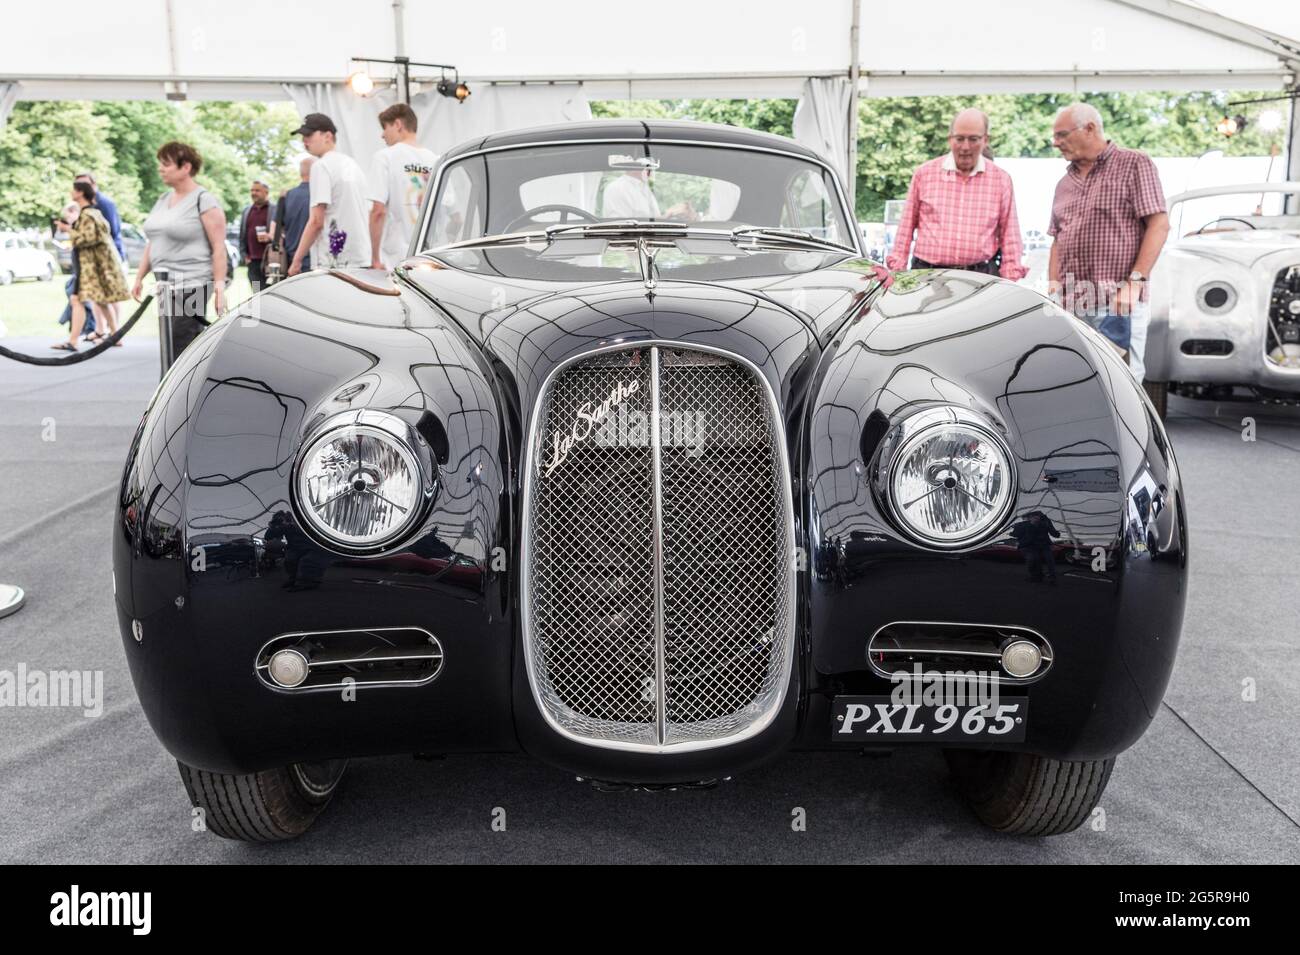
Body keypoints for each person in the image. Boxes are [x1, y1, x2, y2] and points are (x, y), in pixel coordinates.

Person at [1048, 102, 1170, 383]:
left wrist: (1134, 284)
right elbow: (1057, 238)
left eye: (1062, 135)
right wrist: (1054, 289)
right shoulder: (1063, 184)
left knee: (1121, 386)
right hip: (1072, 306)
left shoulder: (1134, 163)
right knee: (1072, 383)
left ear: (1089, 129)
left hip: (1117, 303)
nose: (1056, 143)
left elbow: (1159, 225)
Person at [886, 108, 1028, 280]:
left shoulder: (1001, 180)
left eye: (973, 139)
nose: (965, 147)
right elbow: (906, 226)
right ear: (949, 139)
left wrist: (1010, 278)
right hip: (927, 274)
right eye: (959, 139)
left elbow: (1010, 234)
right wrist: (897, 270)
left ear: (985, 140)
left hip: (980, 277)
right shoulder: (924, 174)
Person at [132, 141, 229, 359]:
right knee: (169, 347)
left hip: (193, 283)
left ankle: (180, 393)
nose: (160, 169)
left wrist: (219, 289)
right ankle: (168, 391)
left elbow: (218, 247)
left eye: (166, 164)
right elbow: (154, 240)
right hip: (166, 286)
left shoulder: (204, 200)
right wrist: (139, 277)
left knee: (180, 345)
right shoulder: (163, 199)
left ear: (186, 167)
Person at [50, 182, 128, 351]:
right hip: (94, 267)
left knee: (77, 299)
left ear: (80, 192)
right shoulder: (94, 213)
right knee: (99, 301)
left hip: (92, 269)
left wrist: (67, 229)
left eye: (73, 189)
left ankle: (73, 341)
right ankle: (115, 335)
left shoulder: (88, 215)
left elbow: (88, 238)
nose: (71, 192)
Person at [288, 113, 369, 274]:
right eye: (303, 136)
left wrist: (296, 261)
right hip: (360, 256)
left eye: (309, 135)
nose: (305, 141)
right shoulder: (353, 165)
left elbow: (316, 221)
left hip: (333, 260)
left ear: (327, 136)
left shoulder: (321, 166)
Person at [366, 103, 439, 270]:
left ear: (398, 124)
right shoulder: (436, 160)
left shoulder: (384, 157)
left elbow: (378, 211)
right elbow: (454, 217)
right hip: (431, 259)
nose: (382, 135)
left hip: (396, 260)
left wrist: (375, 258)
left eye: (384, 127)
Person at [601, 164, 697, 221]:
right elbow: (619, 228)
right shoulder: (617, 188)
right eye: (648, 165)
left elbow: (653, 223)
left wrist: (671, 213)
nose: (652, 169)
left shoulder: (645, 189)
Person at [271, 157, 315, 273]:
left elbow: (274, 230)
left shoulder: (287, 196)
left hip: (290, 259)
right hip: (315, 259)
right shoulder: (319, 195)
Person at [74, 172, 125, 260]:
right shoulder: (78, 206)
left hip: (106, 257)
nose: (81, 189)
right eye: (77, 186)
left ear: (93, 185)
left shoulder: (104, 203)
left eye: (84, 185)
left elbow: (112, 231)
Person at [237, 179, 273, 290]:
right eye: (252, 190)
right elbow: (242, 235)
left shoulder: (275, 210)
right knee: (257, 294)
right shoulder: (247, 211)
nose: (253, 193)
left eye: (257, 190)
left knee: (272, 293)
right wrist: (244, 256)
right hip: (253, 263)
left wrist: (269, 237)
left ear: (266, 192)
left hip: (270, 262)